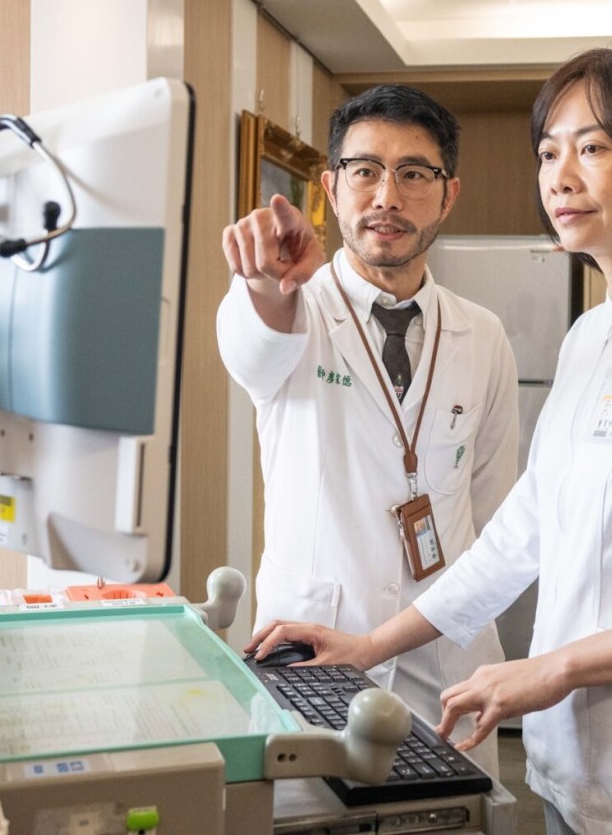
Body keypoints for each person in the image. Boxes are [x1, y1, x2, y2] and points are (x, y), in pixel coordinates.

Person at [247, 44, 612, 835]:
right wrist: (368, 645)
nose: (560, 175)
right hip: (572, 765)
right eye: (549, 152)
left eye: (593, 148)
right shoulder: (593, 336)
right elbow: (521, 533)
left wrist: (552, 667)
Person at [217, 84, 521, 777]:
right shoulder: (295, 308)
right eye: (365, 171)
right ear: (330, 187)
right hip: (313, 658)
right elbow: (251, 350)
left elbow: (493, 516)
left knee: (452, 820)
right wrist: (266, 285)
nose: (388, 195)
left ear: (448, 195)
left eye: (414, 173)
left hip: (445, 666)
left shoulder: (485, 335)